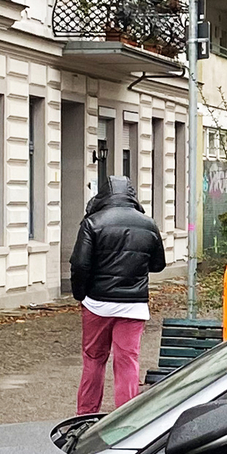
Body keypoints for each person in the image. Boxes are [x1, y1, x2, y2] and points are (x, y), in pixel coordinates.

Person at [71, 174, 168, 415]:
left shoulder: (92, 222)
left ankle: (86, 415)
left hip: (97, 304)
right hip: (133, 305)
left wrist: (80, 295)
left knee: (94, 360)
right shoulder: (148, 224)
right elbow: (158, 265)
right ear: (132, 196)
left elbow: (80, 265)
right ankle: (125, 420)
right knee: (127, 362)